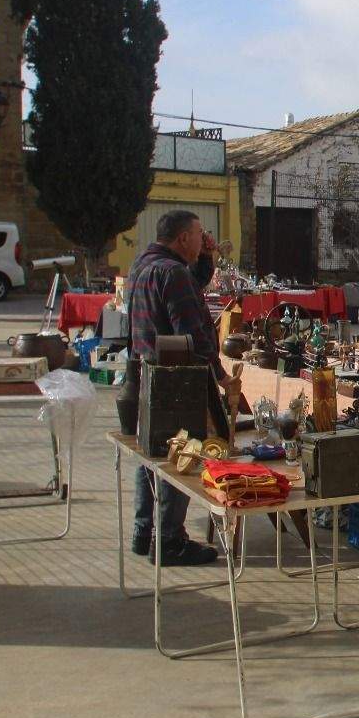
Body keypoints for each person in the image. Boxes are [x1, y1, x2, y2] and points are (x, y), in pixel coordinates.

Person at [127, 210, 221, 566]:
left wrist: (207, 256)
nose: (203, 238)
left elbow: (191, 284)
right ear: (183, 238)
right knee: (179, 457)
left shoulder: (144, 265)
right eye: (199, 235)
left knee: (150, 457)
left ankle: (143, 531)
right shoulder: (171, 272)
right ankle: (169, 541)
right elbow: (193, 336)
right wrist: (217, 373)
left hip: (144, 376)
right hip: (176, 383)